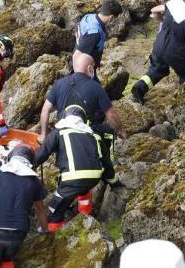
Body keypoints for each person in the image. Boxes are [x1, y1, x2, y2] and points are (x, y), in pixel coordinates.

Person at [40, 52, 126, 185]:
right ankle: (108, 174)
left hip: (62, 133)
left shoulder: (59, 84)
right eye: (94, 67)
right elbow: (111, 114)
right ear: (89, 68)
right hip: (87, 132)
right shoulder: (96, 87)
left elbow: (45, 110)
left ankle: (62, 178)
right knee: (108, 133)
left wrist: (44, 134)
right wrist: (121, 130)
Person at [0, 144, 48, 268]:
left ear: (11, 156)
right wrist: (45, 229)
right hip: (18, 235)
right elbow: (40, 209)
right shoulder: (34, 180)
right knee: (6, 259)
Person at [130, 0, 185, 105]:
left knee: (156, 70)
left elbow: (154, 10)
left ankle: (138, 88)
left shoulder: (172, 3)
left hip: (159, 45)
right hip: (175, 52)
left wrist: (161, 21)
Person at [34, 105, 107, 231]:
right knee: (83, 189)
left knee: (54, 210)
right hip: (94, 178)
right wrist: (114, 182)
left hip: (73, 178)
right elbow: (106, 161)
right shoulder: (94, 135)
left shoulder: (59, 132)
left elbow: (42, 153)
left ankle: (55, 236)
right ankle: (86, 217)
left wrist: (27, 165)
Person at [72, 0, 123, 75]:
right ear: (111, 17)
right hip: (83, 70)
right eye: (115, 18)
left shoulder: (89, 17)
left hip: (84, 62)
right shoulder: (94, 33)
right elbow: (76, 55)